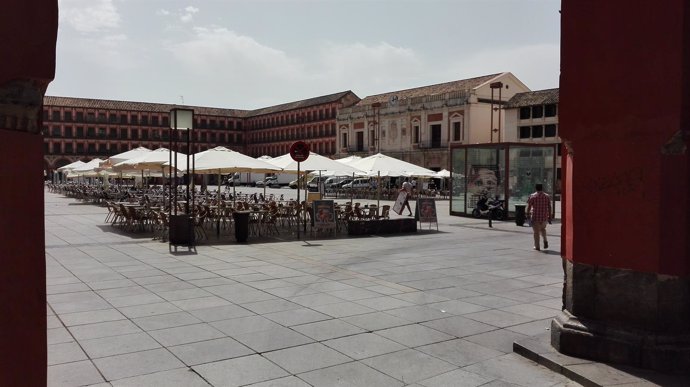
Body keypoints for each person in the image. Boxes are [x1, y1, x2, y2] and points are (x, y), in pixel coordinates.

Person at [526, 183, 552, 251]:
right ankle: (545, 239)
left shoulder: (533, 196)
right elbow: (549, 206)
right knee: (543, 229)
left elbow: (529, 206)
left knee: (536, 232)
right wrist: (550, 216)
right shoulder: (547, 196)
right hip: (544, 217)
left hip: (535, 217)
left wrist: (527, 214)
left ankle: (537, 246)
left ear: (536, 188)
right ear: (542, 188)